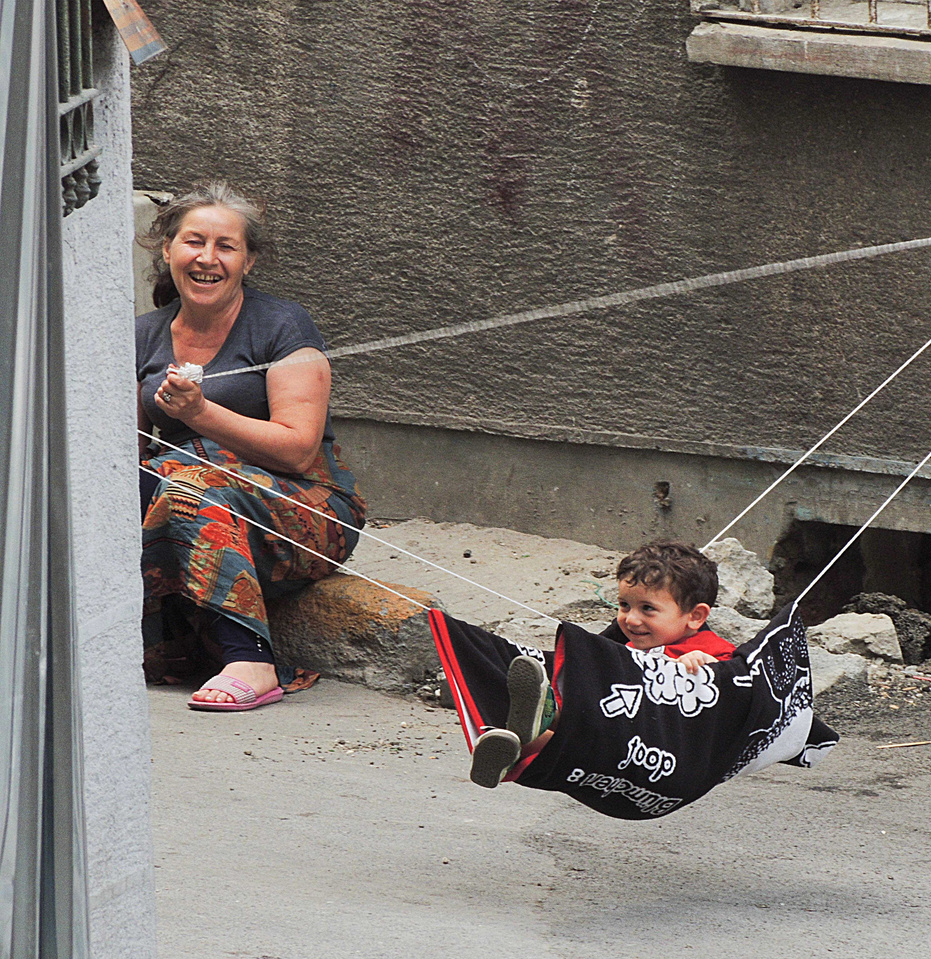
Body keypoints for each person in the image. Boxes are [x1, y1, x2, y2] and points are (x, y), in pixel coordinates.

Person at [137, 181, 366, 711]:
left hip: (304, 512)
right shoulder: (143, 334)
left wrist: (201, 413)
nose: (207, 259)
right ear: (168, 249)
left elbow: (298, 451)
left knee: (186, 484)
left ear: (249, 261)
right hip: (183, 496)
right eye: (194, 242)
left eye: (226, 246)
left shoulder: (283, 325)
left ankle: (252, 659)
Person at [429, 541, 838, 820]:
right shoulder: (628, 645)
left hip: (664, 747)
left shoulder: (708, 647)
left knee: (582, 729)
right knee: (575, 730)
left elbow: (733, 685)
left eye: (647, 609)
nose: (630, 619)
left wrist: (701, 663)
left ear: (694, 616)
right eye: (623, 605)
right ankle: (515, 748)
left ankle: (534, 724)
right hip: (616, 733)